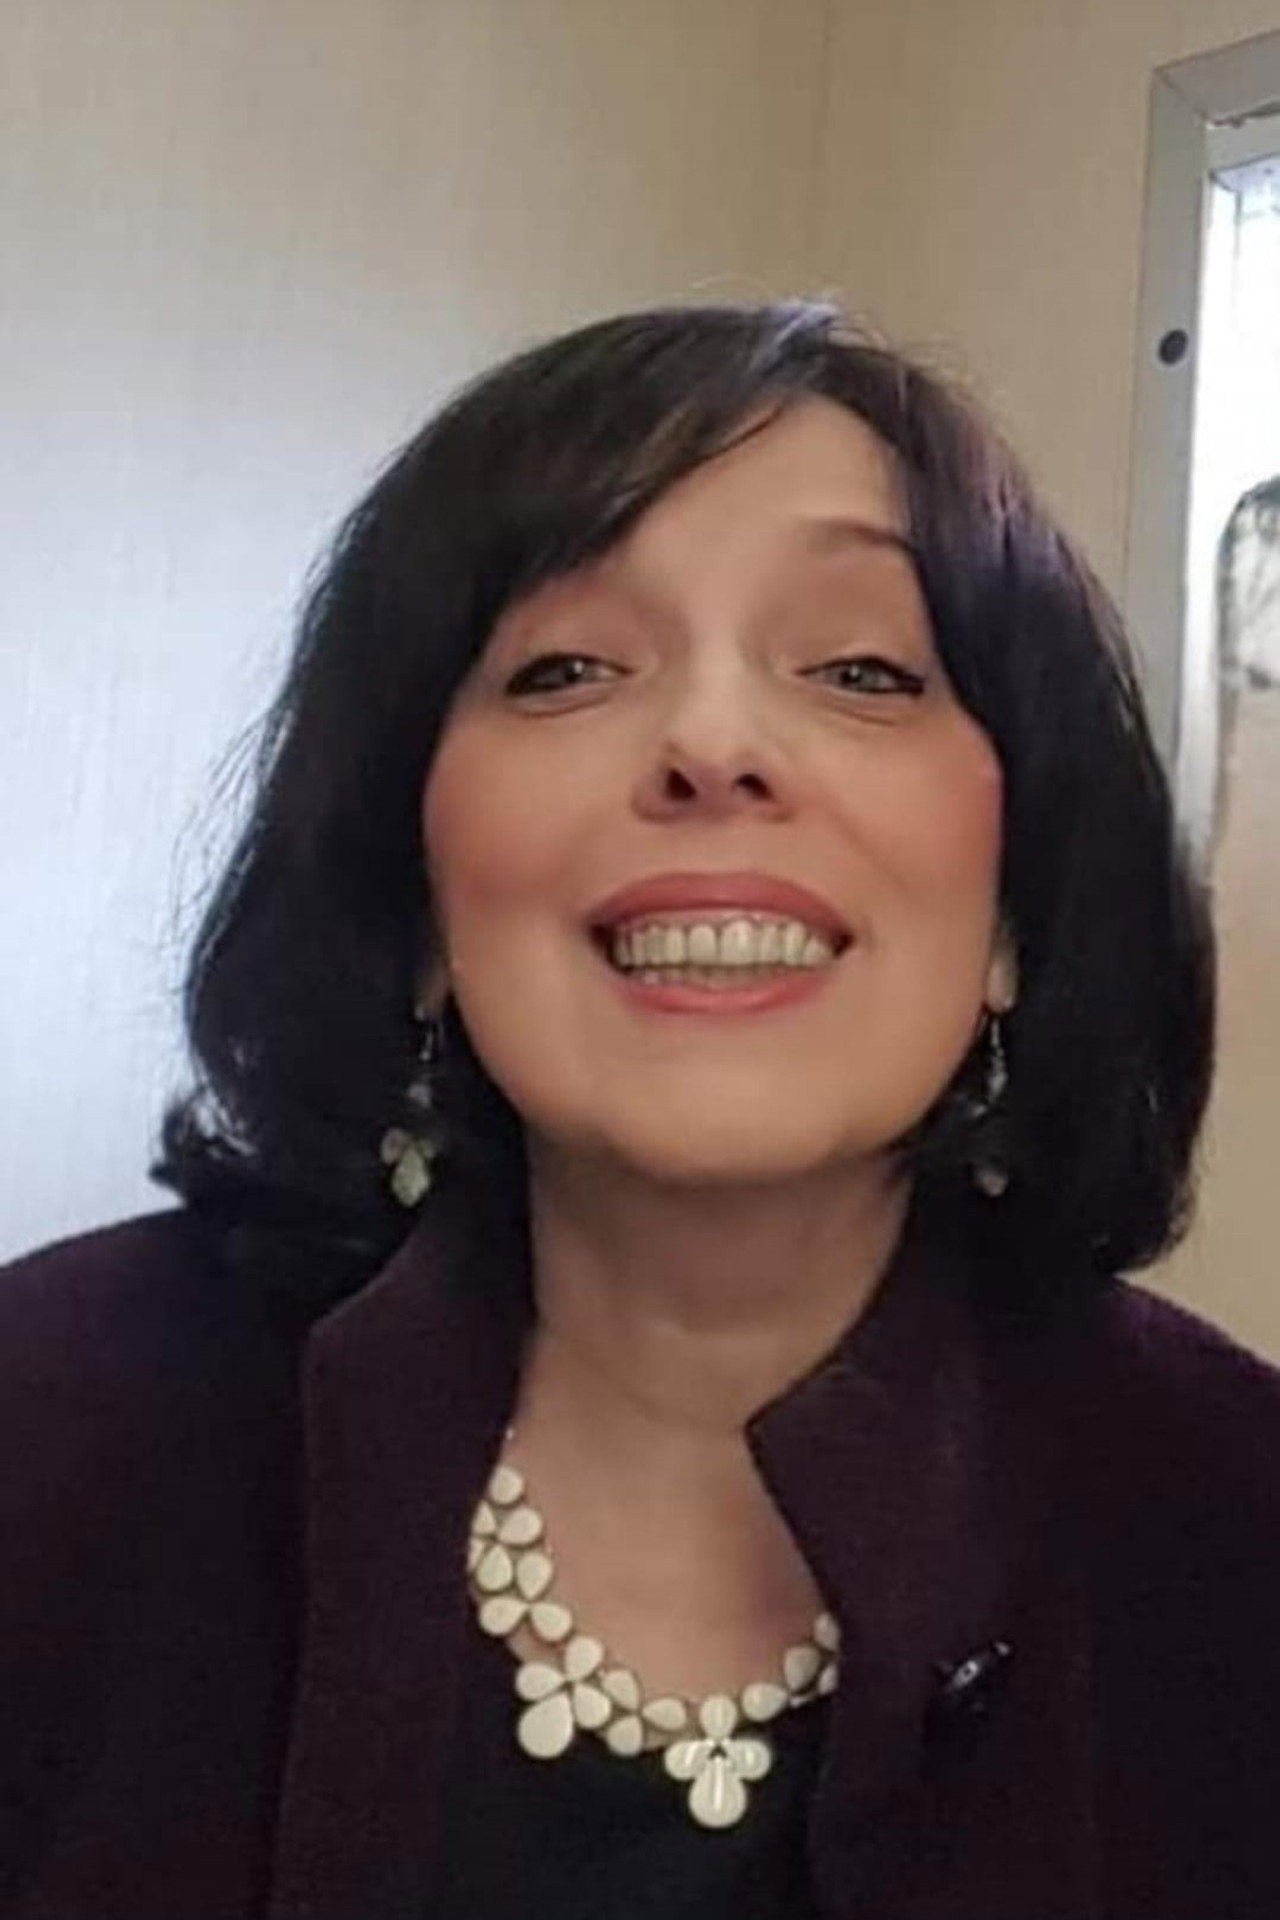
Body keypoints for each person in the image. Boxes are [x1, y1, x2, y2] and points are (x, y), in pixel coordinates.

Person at [2, 298, 1278, 1920]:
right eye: (567, 668)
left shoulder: (1232, 1525)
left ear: (1016, 916)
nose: (713, 743)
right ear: (416, 904)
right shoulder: (56, 1424)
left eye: (863, 668)